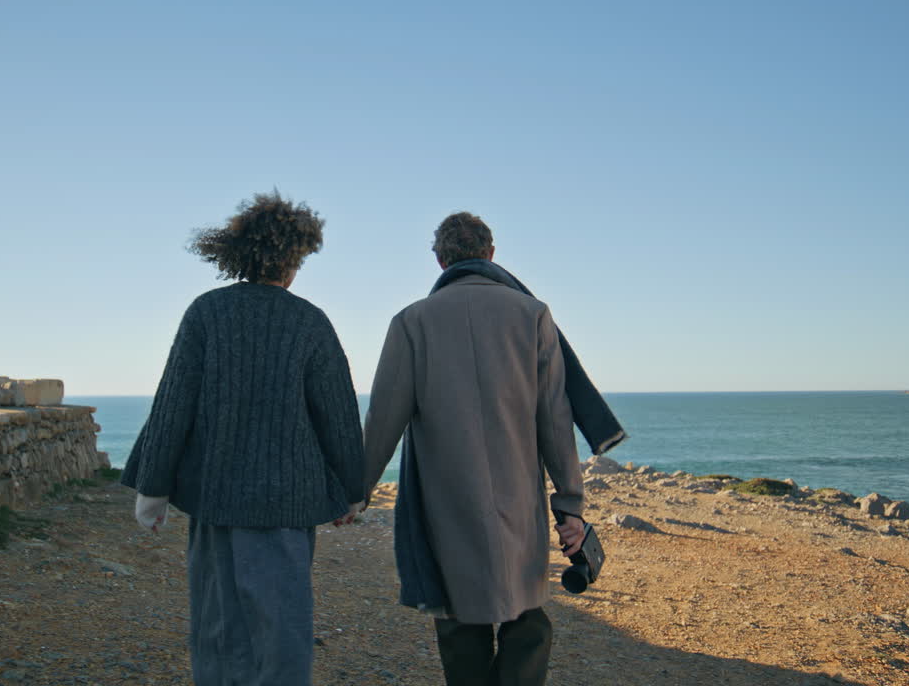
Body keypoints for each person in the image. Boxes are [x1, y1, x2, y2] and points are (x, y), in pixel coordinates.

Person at [120, 190, 365, 686]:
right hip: (287, 506)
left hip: (216, 499)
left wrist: (153, 489)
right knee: (283, 625)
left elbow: (173, 404)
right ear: (293, 262)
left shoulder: (206, 312)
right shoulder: (310, 321)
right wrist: (352, 491)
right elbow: (337, 414)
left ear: (239, 254)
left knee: (219, 624)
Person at [363, 212, 588, 686]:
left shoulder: (411, 321)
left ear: (440, 260)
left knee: (459, 618)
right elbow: (554, 418)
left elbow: (383, 419)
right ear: (491, 253)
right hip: (518, 494)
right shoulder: (533, 314)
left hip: (446, 496)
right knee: (526, 616)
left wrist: (356, 490)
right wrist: (569, 501)